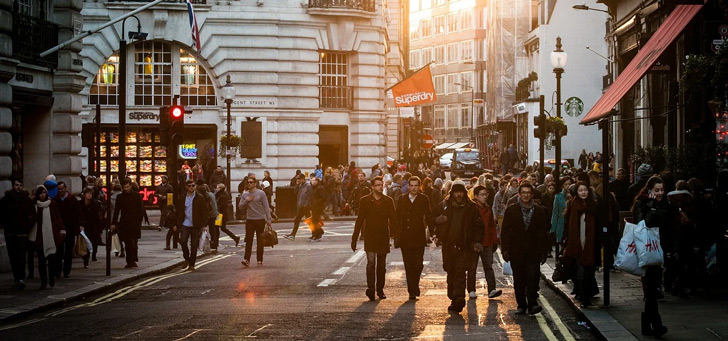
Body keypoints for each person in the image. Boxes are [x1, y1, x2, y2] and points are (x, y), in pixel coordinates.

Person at [432, 180, 484, 313]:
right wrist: (437, 221)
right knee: (450, 271)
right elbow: (433, 218)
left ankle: (459, 297)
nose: (459, 195)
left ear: (465, 193)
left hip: (464, 246)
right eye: (456, 192)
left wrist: (477, 241)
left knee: (460, 273)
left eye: (461, 192)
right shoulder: (444, 206)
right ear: (452, 193)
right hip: (448, 246)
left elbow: (478, 227)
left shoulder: (471, 208)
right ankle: (453, 297)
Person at [500, 181, 550, 315]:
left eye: (528, 193)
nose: (526, 195)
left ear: (532, 195)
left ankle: (532, 304)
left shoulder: (539, 211)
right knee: (519, 279)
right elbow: (505, 231)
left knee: (533, 278)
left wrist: (544, 251)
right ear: (519, 194)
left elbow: (543, 232)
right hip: (517, 251)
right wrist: (505, 249)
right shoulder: (511, 210)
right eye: (523, 193)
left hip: (533, 251)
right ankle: (521, 305)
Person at [632, 175, 672, 337]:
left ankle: (647, 325)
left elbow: (668, 228)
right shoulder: (642, 203)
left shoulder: (665, 204)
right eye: (657, 190)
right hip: (646, 249)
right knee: (651, 289)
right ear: (649, 190)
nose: (660, 193)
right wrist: (653, 207)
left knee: (652, 289)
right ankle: (656, 325)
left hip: (660, 249)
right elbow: (642, 224)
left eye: (662, 190)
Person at [352, 176, 398, 301]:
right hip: (370, 236)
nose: (379, 187)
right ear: (372, 187)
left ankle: (380, 289)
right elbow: (360, 219)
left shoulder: (388, 200)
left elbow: (393, 219)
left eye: (380, 184)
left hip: (383, 235)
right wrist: (354, 237)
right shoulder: (365, 200)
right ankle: (371, 288)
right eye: (377, 185)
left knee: (381, 265)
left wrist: (397, 236)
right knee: (371, 263)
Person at [563, 181, 601, 307]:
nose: (583, 192)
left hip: (591, 243)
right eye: (580, 190)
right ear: (577, 192)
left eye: (585, 190)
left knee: (589, 271)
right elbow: (568, 225)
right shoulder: (573, 205)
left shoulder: (594, 205)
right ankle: (583, 296)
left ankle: (587, 295)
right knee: (580, 271)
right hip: (577, 243)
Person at [395, 176, 434, 300]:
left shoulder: (423, 199)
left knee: (418, 263)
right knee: (408, 264)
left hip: (418, 235)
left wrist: (433, 233)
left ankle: (415, 284)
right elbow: (397, 217)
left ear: (419, 186)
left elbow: (428, 216)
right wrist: (396, 235)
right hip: (405, 237)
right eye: (411, 185)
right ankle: (412, 290)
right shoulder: (402, 199)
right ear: (408, 186)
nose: (413, 188)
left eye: (416, 185)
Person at [0, 179, 36, 290]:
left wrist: (26, 226)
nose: (18, 187)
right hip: (10, 232)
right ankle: (16, 277)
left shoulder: (27, 200)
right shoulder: (6, 200)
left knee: (21, 257)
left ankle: (21, 278)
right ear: (13, 186)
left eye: (20, 185)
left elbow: (33, 216)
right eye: (16, 185)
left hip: (22, 233)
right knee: (13, 257)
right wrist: (5, 224)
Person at [468, 185, 502, 300]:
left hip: (487, 243)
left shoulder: (488, 209)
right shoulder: (471, 209)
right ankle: (471, 290)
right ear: (476, 196)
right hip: (474, 243)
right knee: (472, 268)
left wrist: (494, 240)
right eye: (482, 195)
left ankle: (491, 289)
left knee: (488, 266)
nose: (485, 197)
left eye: (486, 194)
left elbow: (492, 226)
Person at [29, 186, 64, 289]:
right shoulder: (34, 205)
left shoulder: (51, 204)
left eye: (44, 193)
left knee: (52, 259)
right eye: (40, 193)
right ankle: (43, 282)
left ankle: (51, 277)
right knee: (41, 262)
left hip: (50, 235)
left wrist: (61, 228)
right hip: (39, 236)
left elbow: (57, 217)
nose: (42, 195)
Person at [175, 179, 209, 271]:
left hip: (196, 224)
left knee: (194, 245)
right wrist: (176, 224)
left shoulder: (200, 198)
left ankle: (192, 264)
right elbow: (179, 211)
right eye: (189, 186)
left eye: (193, 185)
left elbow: (204, 212)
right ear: (186, 187)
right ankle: (187, 258)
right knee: (183, 242)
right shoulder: (182, 198)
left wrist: (205, 225)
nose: (191, 187)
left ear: (196, 186)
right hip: (185, 223)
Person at [238, 177, 272, 267]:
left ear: (255, 183)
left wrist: (269, 219)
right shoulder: (245, 194)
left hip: (260, 220)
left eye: (251, 182)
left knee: (260, 241)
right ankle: (247, 259)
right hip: (250, 220)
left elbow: (266, 206)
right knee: (249, 241)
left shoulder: (261, 193)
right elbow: (240, 207)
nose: (249, 184)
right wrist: (246, 201)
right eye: (248, 182)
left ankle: (259, 259)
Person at [112, 180, 145, 269]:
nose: (126, 189)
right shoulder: (120, 197)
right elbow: (116, 211)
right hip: (125, 223)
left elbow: (140, 209)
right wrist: (113, 223)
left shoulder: (137, 196)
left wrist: (139, 220)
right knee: (127, 243)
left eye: (127, 187)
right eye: (125, 187)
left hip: (134, 223)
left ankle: (133, 259)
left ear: (131, 186)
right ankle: (129, 261)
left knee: (133, 243)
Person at [53, 181, 82, 278]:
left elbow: (77, 214)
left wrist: (78, 226)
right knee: (59, 251)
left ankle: (66, 271)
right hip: (59, 230)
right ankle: (57, 271)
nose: (60, 191)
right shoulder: (55, 200)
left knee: (69, 252)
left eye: (62, 189)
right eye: (59, 189)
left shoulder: (72, 199)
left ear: (65, 188)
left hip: (70, 229)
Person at [79, 187, 102, 266]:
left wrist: (99, 228)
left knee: (93, 242)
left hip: (93, 225)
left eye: (90, 194)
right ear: (84, 194)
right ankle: (86, 259)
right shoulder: (80, 203)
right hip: (84, 226)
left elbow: (98, 217)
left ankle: (93, 254)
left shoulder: (95, 203)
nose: (89, 195)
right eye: (87, 193)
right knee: (85, 243)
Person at [285, 174, 312, 240]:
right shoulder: (300, 185)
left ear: (303, 179)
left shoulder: (308, 186)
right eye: (297, 179)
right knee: (308, 221)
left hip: (305, 206)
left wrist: (306, 205)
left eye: (299, 179)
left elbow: (309, 196)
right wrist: (297, 185)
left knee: (299, 220)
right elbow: (295, 192)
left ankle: (293, 234)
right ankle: (315, 233)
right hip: (301, 205)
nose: (298, 180)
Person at [199, 184, 219, 253]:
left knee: (203, 229)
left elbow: (208, 207)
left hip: (209, 215)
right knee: (213, 230)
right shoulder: (212, 194)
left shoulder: (205, 196)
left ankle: (202, 244)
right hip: (214, 214)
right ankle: (214, 244)